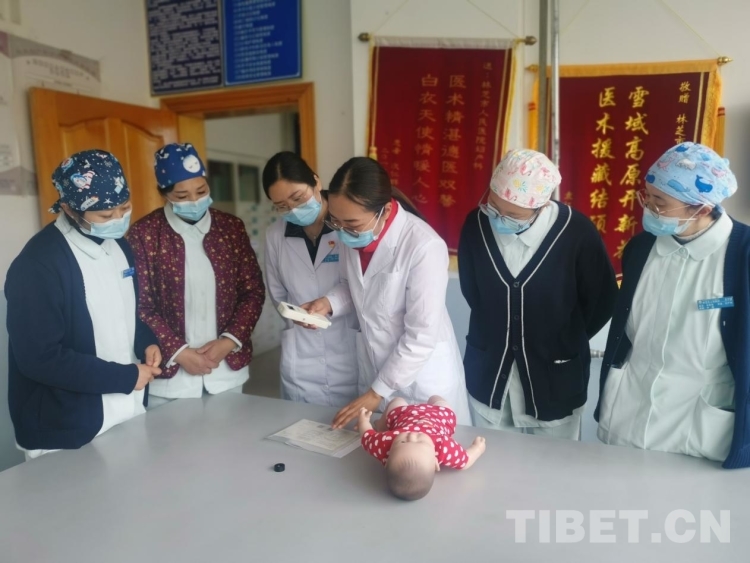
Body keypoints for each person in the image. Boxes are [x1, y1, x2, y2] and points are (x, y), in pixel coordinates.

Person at [596, 142, 750, 468]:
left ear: (702, 209)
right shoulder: (641, 248)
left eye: (660, 203)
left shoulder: (742, 255)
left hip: (700, 426)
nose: (648, 208)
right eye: (647, 197)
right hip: (627, 415)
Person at [5, 150, 162, 459]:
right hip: (66, 426)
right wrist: (126, 377)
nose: (118, 220)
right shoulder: (39, 264)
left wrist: (146, 340)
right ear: (69, 208)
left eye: (124, 208)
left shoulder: (120, 246)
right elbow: (39, 358)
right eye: (105, 215)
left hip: (125, 411)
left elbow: (124, 312)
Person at [458, 149, 617, 440]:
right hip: (489, 371)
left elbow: (602, 301)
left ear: (541, 206)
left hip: (555, 376)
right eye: (494, 206)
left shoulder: (576, 232)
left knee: (556, 463)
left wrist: (563, 337)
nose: (499, 218)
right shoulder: (476, 224)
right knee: (490, 456)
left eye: (513, 215)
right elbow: (472, 291)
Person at [302, 157, 471, 428]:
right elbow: (353, 285)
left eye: (352, 224)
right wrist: (327, 303)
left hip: (422, 382)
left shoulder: (423, 246)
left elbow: (421, 335)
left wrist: (376, 392)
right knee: (380, 447)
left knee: (424, 450)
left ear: (385, 210)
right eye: (336, 222)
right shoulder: (350, 234)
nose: (343, 232)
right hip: (376, 369)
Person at [127, 143, 265, 407]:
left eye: (201, 191)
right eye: (182, 195)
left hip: (226, 372)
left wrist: (229, 341)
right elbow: (140, 304)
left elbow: (252, 291)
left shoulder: (230, 228)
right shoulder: (145, 234)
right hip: (169, 378)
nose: (194, 201)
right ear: (164, 194)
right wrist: (179, 352)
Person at [262, 152, 358, 406]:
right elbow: (277, 293)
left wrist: (329, 304)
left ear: (316, 182)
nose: (293, 210)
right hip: (302, 359)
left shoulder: (347, 224)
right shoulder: (275, 235)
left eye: (298, 198)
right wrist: (298, 315)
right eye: (282, 206)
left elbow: (362, 284)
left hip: (349, 349)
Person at [358, 397, 486, 501]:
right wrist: (477, 448)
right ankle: (433, 400)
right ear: (436, 461)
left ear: (386, 459)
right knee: (436, 398)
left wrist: (363, 421)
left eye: (403, 442)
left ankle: (381, 424)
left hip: (403, 414)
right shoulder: (443, 447)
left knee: (397, 400)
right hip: (439, 416)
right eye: (421, 442)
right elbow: (465, 461)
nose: (412, 436)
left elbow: (366, 437)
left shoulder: (385, 444)